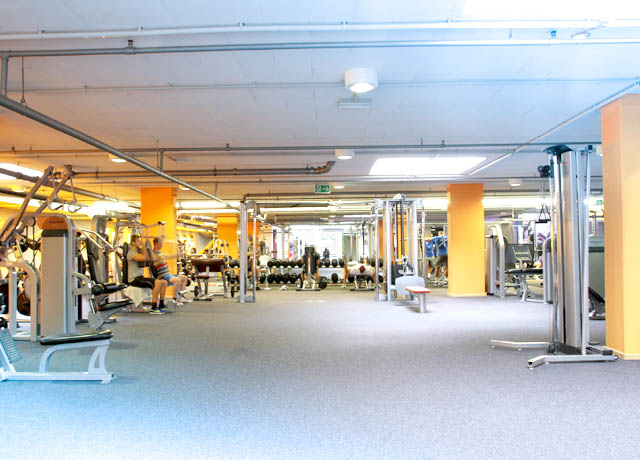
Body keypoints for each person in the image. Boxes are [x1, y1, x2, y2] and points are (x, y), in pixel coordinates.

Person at [127, 234, 169, 315]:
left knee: (164, 282)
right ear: (133, 243)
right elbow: (144, 258)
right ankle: (154, 308)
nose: (139, 242)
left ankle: (161, 304)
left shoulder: (138, 251)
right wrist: (143, 244)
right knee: (158, 282)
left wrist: (148, 247)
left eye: (140, 241)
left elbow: (152, 259)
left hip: (140, 277)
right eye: (138, 241)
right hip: (134, 279)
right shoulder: (131, 253)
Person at [152, 237, 191, 304]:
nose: (161, 245)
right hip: (162, 276)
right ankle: (174, 299)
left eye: (162, 243)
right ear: (156, 244)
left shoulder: (160, 253)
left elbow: (171, 256)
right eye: (160, 244)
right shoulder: (154, 254)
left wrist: (178, 253)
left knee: (184, 278)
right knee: (177, 280)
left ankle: (181, 297)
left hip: (167, 275)